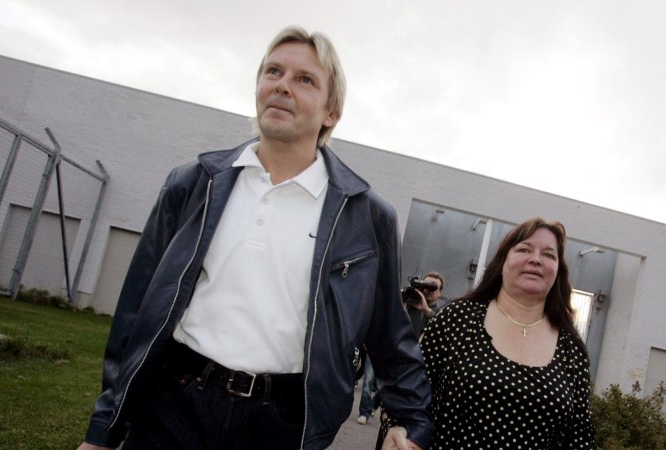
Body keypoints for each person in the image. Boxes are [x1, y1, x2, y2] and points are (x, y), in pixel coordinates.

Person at [77, 26, 432, 450]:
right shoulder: (193, 184)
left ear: (331, 112)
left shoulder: (367, 216)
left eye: (304, 79)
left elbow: (390, 336)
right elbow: (135, 311)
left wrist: (411, 422)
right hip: (173, 402)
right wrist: (103, 429)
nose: (282, 85)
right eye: (273, 72)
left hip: (281, 424)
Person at [420, 217, 595, 448]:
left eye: (549, 255)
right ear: (502, 261)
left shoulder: (571, 348)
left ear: (558, 272)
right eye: (524, 249)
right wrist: (398, 427)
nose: (535, 259)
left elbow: (580, 437)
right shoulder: (457, 318)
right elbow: (409, 394)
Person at [403, 272, 444, 339]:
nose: (428, 290)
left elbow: (442, 328)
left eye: (433, 287)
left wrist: (427, 311)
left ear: (440, 292)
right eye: (426, 285)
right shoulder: (407, 306)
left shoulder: (441, 313)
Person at [356, 353, 382, 425]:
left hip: (392, 352)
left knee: (385, 385)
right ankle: (363, 413)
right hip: (374, 349)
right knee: (368, 380)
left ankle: (374, 404)